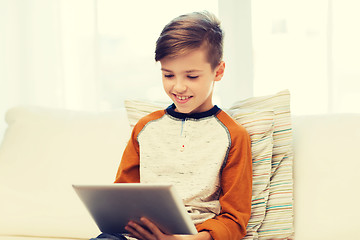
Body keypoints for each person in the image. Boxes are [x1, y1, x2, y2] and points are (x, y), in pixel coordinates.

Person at [92, 11, 252, 240]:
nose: (178, 87)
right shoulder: (146, 127)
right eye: (168, 75)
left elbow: (235, 220)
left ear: (218, 71)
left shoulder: (233, 136)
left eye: (191, 76)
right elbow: (121, 197)